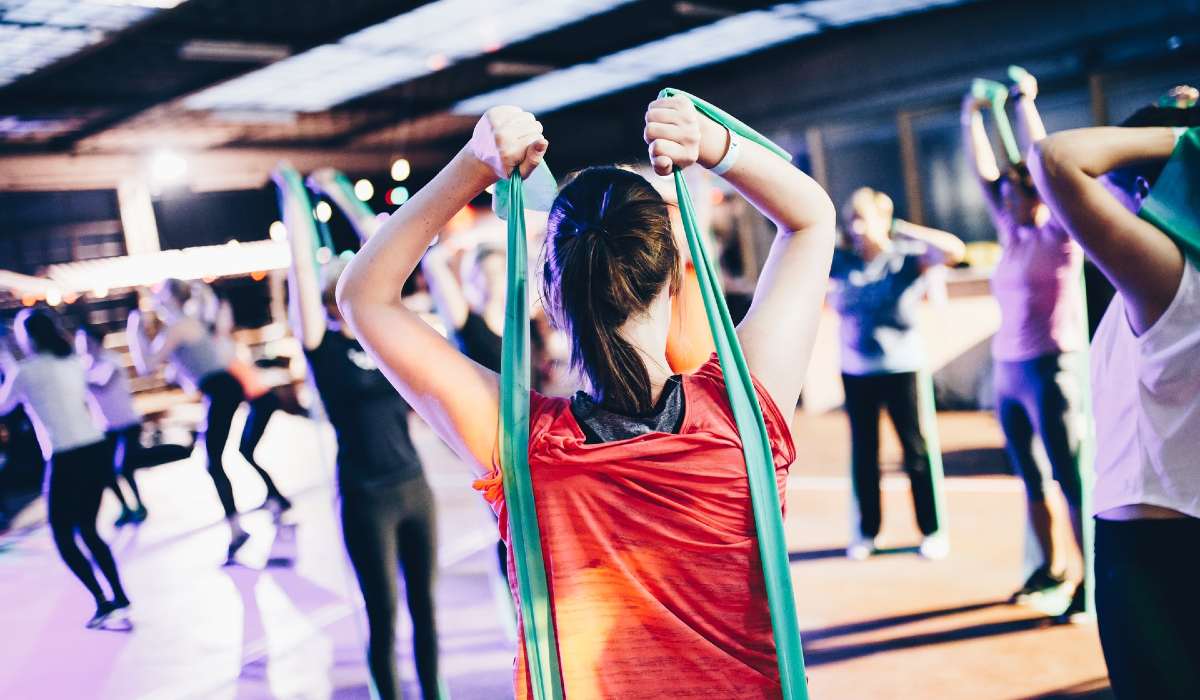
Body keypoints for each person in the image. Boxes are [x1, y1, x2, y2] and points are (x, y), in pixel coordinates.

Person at [336, 95, 835, 696]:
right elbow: (811, 217)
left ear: (549, 297)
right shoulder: (742, 420)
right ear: (677, 271)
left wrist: (476, 162)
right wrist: (712, 144)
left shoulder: (523, 449)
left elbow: (364, 297)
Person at [1029, 102, 1200, 699]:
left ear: (1149, 188)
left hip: (1158, 557)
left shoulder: (1169, 278)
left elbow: (1054, 159)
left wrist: (1187, 136)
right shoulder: (1165, 278)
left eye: (1115, 190)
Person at [275, 164, 441, 700]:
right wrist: (295, 195)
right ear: (334, 295)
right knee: (384, 618)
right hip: (367, 498)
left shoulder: (384, 337)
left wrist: (342, 192)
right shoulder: (323, 349)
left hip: (414, 487)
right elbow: (301, 269)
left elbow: (388, 244)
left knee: (425, 611)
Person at [962, 71, 1087, 614]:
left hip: (1050, 369)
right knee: (1032, 479)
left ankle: (1090, 582)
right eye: (1006, 193)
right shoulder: (1011, 236)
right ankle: (1051, 567)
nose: (1006, 198)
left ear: (1035, 192)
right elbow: (984, 171)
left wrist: (1022, 104)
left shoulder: (1061, 235)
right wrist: (970, 115)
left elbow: (1044, 160)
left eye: (1016, 191)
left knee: (1071, 479)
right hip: (1009, 371)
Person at [831, 187, 966, 561]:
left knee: (915, 451)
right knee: (865, 454)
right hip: (856, 371)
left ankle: (932, 530)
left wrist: (904, 229)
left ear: (882, 219)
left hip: (902, 368)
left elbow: (955, 251)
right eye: (851, 220)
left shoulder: (905, 259)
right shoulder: (841, 261)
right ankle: (868, 532)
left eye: (863, 218)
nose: (856, 227)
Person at [127, 279, 291, 562]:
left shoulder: (179, 326)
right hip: (220, 390)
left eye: (160, 295)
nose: (155, 301)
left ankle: (238, 529)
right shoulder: (183, 324)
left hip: (222, 389)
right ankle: (246, 520)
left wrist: (134, 328)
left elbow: (146, 365)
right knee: (216, 460)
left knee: (214, 462)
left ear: (172, 298)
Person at [0, 309, 130, 628]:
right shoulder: (72, 362)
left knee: (62, 535)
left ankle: (102, 601)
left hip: (66, 455)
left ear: (27, 338)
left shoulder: (26, 371)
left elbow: (3, 407)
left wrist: (5, 361)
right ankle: (119, 596)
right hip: (95, 448)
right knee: (88, 529)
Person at [74, 324, 149, 527]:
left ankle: (140, 505)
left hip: (128, 423)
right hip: (105, 428)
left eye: (86, 341)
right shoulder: (81, 367)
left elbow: (103, 384)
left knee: (124, 467)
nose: (82, 345)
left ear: (96, 342)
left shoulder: (111, 360)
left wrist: (74, 381)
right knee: (106, 472)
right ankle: (125, 507)